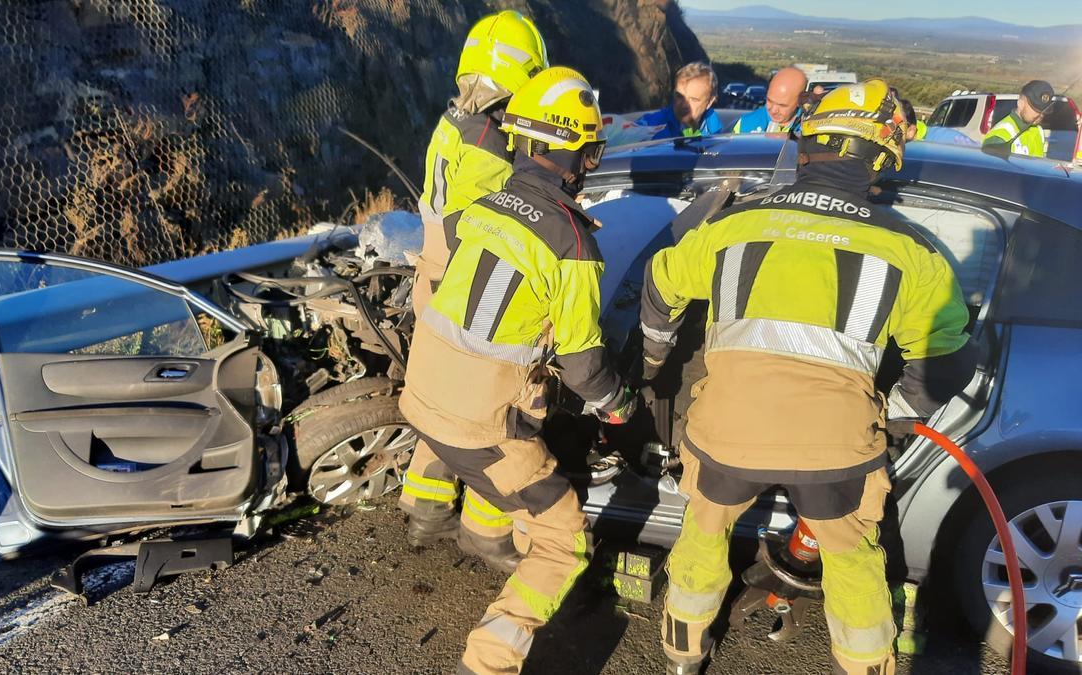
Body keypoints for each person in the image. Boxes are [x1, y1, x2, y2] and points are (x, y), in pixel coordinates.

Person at [639, 79, 976, 674]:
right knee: (854, 565)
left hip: (724, 434)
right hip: (836, 450)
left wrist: (654, 360)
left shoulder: (733, 227)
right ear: (884, 155)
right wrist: (893, 414)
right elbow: (945, 363)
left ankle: (681, 656)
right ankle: (866, 666)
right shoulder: (911, 253)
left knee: (702, 537)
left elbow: (660, 286)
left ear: (807, 143)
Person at [400, 66, 636, 674]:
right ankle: (488, 663)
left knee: (520, 487)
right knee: (563, 539)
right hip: (482, 425)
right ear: (578, 155)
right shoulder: (573, 243)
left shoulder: (478, 207)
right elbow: (583, 364)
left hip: (422, 398)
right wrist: (620, 404)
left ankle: (464, 525)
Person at [401, 10, 548, 573]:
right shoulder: (491, 138)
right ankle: (487, 532)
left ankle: (424, 506)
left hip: (431, 276)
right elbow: (477, 226)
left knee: (440, 401)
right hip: (464, 285)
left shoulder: (455, 121)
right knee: (487, 412)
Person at [636, 61, 722, 140]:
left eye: (693, 99)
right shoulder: (650, 126)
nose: (684, 105)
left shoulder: (717, 131)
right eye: (679, 96)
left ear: (709, 102)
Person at [982, 79, 1055, 158]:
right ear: (1021, 103)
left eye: (1043, 111)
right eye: (1035, 109)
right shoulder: (1000, 136)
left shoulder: (1037, 130)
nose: (1040, 114)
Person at [732, 66, 808, 133]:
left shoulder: (813, 128)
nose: (773, 110)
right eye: (769, 101)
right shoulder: (746, 124)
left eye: (782, 105)